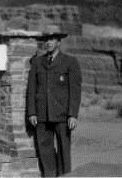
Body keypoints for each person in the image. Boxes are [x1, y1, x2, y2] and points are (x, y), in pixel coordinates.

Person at [26, 26, 82, 177]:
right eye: (46, 39)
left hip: (62, 115)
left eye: (51, 39)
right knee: (45, 150)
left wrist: (72, 114)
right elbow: (31, 89)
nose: (48, 42)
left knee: (64, 149)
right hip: (42, 114)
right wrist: (32, 111)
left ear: (58, 41)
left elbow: (75, 91)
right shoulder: (37, 63)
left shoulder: (70, 62)